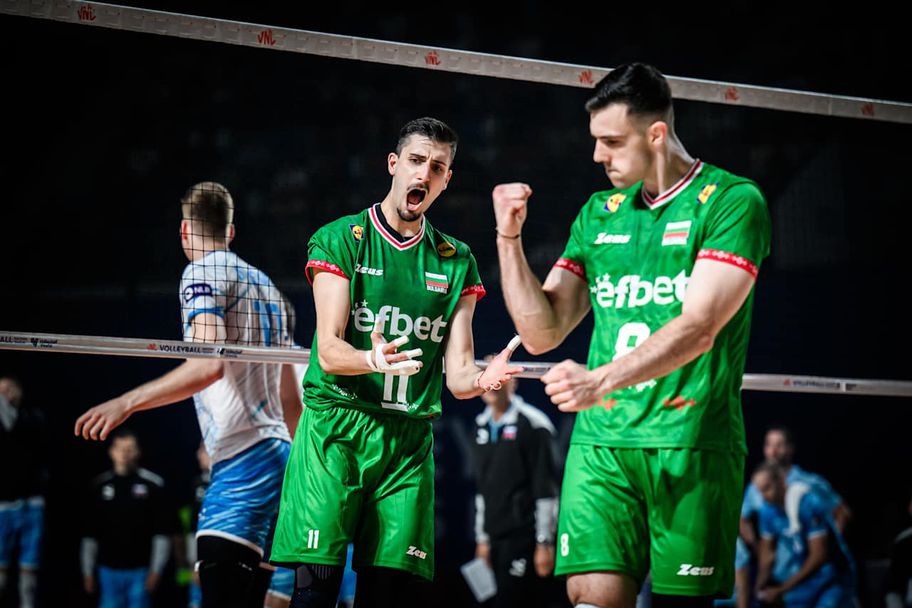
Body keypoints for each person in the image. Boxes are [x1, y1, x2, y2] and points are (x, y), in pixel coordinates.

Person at [492, 62, 772, 607]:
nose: (598, 155)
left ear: (657, 134)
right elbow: (542, 332)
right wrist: (508, 239)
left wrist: (598, 381)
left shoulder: (733, 201)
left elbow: (699, 328)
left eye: (613, 142)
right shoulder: (600, 212)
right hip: (602, 445)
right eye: (596, 140)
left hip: (688, 441)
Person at [268, 117, 521, 608]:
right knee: (315, 590)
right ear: (393, 164)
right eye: (416, 160)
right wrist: (372, 357)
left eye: (437, 167)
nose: (424, 173)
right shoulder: (343, 238)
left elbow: (459, 377)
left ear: (447, 180)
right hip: (336, 429)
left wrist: (484, 379)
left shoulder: (456, 260)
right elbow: (328, 351)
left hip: (407, 442)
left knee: (388, 595)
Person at [74, 181, 303, 608]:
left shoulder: (201, 273)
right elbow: (292, 400)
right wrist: (301, 471)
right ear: (230, 231)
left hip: (244, 460)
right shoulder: (268, 287)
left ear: (184, 231)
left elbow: (207, 365)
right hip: (282, 458)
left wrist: (125, 402)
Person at [471, 363, 560, 607]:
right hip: (494, 537)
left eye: (500, 376)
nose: (493, 383)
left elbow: (545, 488)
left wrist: (544, 542)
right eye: (486, 374)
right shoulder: (480, 425)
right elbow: (483, 489)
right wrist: (482, 540)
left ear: (513, 382)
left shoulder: (533, 424)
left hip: (524, 537)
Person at [80, 428, 172, 608]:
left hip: (141, 570)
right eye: (120, 448)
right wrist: (87, 571)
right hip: (108, 569)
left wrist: (156, 570)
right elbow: (89, 533)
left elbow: (162, 533)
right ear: (112, 452)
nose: (124, 454)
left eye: (129, 449)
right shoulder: (99, 486)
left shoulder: (153, 485)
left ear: (138, 452)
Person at [752, 463, 855, 608]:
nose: (764, 496)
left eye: (767, 488)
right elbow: (767, 553)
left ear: (781, 481)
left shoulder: (807, 501)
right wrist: (758, 588)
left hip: (833, 576)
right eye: (760, 491)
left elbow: (819, 555)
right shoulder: (767, 511)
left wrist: (782, 589)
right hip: (804, 579)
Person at [0, 375, 48, 608]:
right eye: (0, 390)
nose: (5, 394)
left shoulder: (33, 416)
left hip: (31, 503)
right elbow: (7, 424)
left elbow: (16, 426)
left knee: (29, 569)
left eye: (9, 388)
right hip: (3, 505)